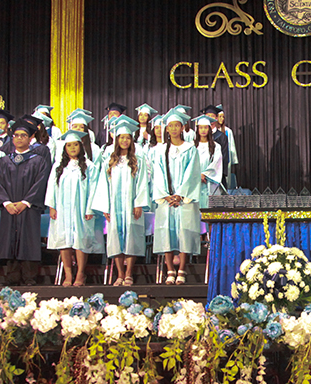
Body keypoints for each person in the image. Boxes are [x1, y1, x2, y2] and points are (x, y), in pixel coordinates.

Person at [92, 115, 149, 286]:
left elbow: (142, 183)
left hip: (131, 205)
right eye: (122, 137)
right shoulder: (109, 160)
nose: (125, 140)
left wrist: (139, 203)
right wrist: (105, 207)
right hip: (114, 205)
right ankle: (119, 274)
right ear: (117, 139)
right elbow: (102, 183)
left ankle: (129, 274)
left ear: (131, 140)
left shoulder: (138, 160)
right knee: (116, 237)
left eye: (128, 137)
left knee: (131, 237)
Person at [0, 119, 50, 285]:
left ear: (30, 138)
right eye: (16, 135)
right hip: (9, 208)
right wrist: (6, 203)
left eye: (23, 135)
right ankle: (11, 276)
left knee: (28, 240)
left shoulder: (38, 160)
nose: (19, 138)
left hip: (29, 208)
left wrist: (26, 202)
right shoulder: (5, 161)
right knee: (10, 238)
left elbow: (40, 183)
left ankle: (29, 276)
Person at [46, 130, 102, 287]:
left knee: (80, 240)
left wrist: (90, 208)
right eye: (69, 145)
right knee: (64, 241)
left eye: (75, 145)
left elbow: (94, 188)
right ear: (64, 148)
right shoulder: (58, 167)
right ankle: (68, 275)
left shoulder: (89, 166)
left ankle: (80, 274)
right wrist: (52, 206)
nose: (72, 148)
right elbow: (52, 187)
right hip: (62, 209)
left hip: (81, 209)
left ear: (81, 146)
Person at [152, 108, 201, 285]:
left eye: (177, 125)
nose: (173, 129)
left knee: (184, 232)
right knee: (166, 231)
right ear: (166, 129)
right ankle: (169, 270)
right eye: (170, 125)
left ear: (182, 128)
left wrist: (180, 194)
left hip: (184, 199)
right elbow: (157, 174)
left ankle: (181, 270)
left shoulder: (190, 149)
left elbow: (193, 174)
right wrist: (165, 195)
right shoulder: (160, 150)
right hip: (166, 200)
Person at [193, 115, 223, 222]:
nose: (203, 130)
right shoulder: (192, 146)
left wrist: (205, 174)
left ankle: (209, 234)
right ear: (197, 129)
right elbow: (189, 164)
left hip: (209, 182)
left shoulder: (216, 146)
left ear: (209, 129)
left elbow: (217, 163)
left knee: (210, 211)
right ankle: (199, 235)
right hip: (195, 183)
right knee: (195, 211)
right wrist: (196, 175)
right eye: (201, 128)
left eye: (205, 127)